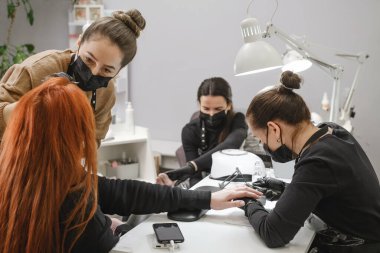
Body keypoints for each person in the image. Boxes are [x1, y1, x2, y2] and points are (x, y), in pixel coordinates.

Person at [0, 76, 260, 253]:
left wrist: (206, 200)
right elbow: (110, 243)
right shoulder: (72, 204)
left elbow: (121, 191)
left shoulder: (36, 173)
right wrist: (115, 225)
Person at [243, 70, 380, 251]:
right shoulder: (332, 131)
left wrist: (249, 204)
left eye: (261, 139)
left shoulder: (317, 161)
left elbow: (273, 233)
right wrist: (284, 190)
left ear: (274, 129)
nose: (263, 145)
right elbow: (326, 191)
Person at [0, 9, 145, 146]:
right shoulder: (38, 69)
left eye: (107, 69)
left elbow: (94, 140)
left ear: (119, 70)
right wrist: (34, 108)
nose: (94, 72)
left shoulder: (106, 93)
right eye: (89, 59)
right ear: (79, 42)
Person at [156, 77, 248, 188]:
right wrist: (200, 195)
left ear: (228, 105)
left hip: (233, 179)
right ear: (199, 105)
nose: (212, 114)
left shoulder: (237, 119)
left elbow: (231, 144)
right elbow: (195, 177)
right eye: (206, 108)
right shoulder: (190, 130)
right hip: (205, 181)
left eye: (218, 109)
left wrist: (193, 166)